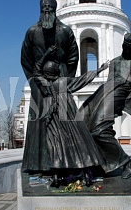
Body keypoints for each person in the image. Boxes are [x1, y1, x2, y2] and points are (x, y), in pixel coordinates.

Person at [21, 0, 79, 171]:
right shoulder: (32, 32)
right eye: (43, 10)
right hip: (39, 83)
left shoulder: (65, 31)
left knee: (65, 119)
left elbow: (73, 57)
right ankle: (37, 164)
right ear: (40, 11)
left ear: (55, 11)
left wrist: (65, 79)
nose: (47, 12)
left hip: (60, 79)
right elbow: (25, 59)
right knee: (39, 121)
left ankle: (66, 163)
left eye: (50, 10)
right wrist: (34, 82)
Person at [32, 55, 109, 187]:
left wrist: (46, 54)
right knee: (79, 142)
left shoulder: (45, 85)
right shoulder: (63, 82)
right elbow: (82, 80)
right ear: (56, 71)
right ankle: (86, 174)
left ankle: (56, 176)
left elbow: (36, 71)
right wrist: (99, 70)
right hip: (70, 116)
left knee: (55, 145)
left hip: (53, 117)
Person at [79, 33, 131, 178]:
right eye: (124, 48)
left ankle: (125, 162)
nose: (126, 51)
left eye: (129, 49)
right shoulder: (115, 62)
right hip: (105, 91)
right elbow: (110, 82)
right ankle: (98, 164)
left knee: (99, 131)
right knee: (80, 121)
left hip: (119, 94)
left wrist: (122, 105)